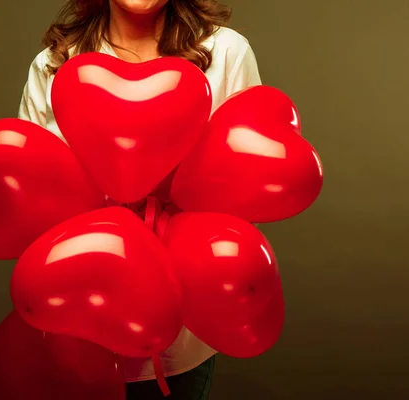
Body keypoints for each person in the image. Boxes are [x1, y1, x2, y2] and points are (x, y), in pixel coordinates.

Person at [17, 1, 262, 399]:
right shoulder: (53, 64)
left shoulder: (226, 53)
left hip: (179, 340)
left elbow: (248, 184)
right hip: (77, 325)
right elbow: (27, 195)